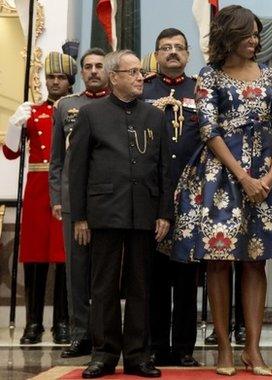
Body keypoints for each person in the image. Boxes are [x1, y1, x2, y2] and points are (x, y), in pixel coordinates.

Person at [171, 5, 272, 377]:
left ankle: (253, 350)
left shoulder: (268, 74)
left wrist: (270, 175)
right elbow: (208, 130)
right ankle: (225, 349)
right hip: (221, 174)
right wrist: (242, 177)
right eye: (247, 34)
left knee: (255, 259)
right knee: (218, 260)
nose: (254, 40)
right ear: (228, 35)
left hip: (267, 174)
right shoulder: (209, 75)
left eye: (256, 34)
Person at [69, 49, 172, 378]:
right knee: (103, 287)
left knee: (141, 285)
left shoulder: (155, 117)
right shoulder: (91, 115)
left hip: (144, 211)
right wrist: (80, 217)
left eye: (140, 72)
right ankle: (104, 354)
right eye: (132, 72)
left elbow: (165, 170)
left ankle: (138, 355)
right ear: (114, 77)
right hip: (104, 211)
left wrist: (165, 213)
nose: (140, 77)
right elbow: (78, 169)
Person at [3, 52, 74, 345]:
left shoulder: (75, 110)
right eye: (51, 77)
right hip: (36, 187)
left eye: (61, 78)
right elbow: (11, 153)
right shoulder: (32, 111)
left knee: (64, 257)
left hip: (67, 188)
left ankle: (62, 322)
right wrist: (14, 127)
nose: (54, 82)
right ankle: (33, 323)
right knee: (33, 257)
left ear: (71, 81)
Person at [142, 27, 201, 368]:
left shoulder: (199, 90)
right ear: (157, 54)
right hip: (151, 195)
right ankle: (155, 345)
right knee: (154, 276)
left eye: (179, 47)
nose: (173, 53)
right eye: (166, 48)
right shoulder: (145, 88)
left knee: (185, 276)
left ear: (188, 54)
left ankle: (183, 347)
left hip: (192, 195)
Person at [49, 47, 108, 358]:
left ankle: (105, 335)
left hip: (108, 202)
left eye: (100, 66)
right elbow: (57, 159)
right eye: (89, 66)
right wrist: (57, 197)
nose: (95, 71)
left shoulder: (117, 105)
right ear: (82, 72)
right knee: (77, 272)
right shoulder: (66, 107)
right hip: (74, 201)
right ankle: (81, 334)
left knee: (106, 273)